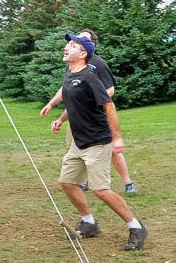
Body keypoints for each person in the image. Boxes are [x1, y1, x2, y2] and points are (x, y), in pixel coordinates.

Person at [53, 33, 147, 251]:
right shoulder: (69, 73)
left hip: (97, 141)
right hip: (79, 142)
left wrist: (117, 137)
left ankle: (136, 226)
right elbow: (73, 103)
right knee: (67, 183)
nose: (67, 47)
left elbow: (109, 106)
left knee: (100, 190)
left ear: (83, 54)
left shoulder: (89, 77)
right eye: (68, 43)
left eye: (73, 45)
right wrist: (59, 119)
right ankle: (89, 222)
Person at [40, 28, 139, 195]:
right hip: (78, 116)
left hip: (97, 114)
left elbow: (110, 90)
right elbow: (66, 88)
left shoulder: (98, 64)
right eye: (76, 39)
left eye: (83, 40)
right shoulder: (72, 65)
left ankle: (128, 182)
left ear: (91, 45)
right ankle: (82, 181)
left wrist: (91, 100)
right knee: (76, 147)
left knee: (112, 149)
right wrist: (51, 104)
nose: (76, 42)